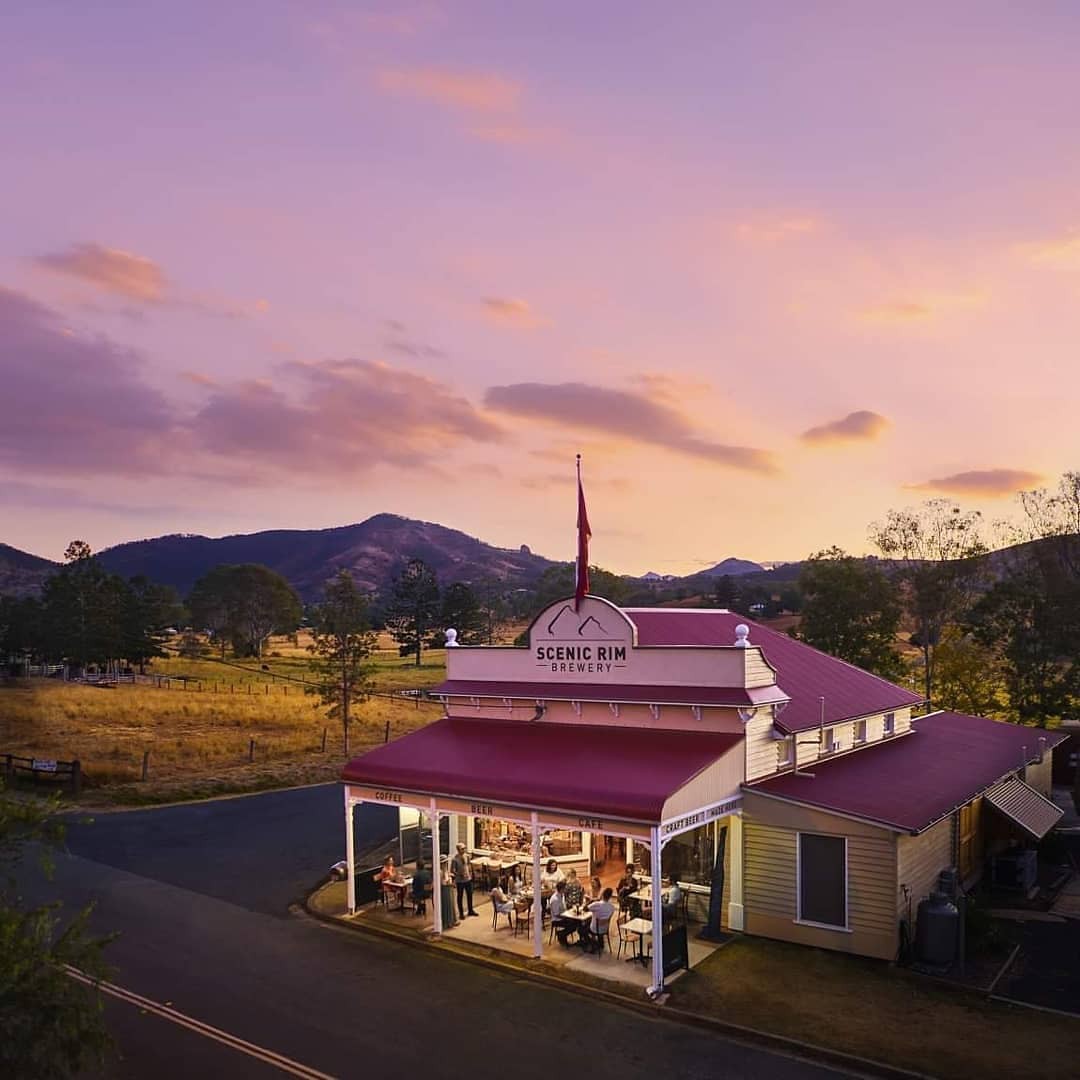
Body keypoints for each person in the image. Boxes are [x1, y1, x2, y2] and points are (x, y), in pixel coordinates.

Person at [580, 888, 616, 954]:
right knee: (590, 921)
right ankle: (599, 943)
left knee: (581, 928)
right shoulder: (612, 907)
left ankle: (591, 943)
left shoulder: (597, 904)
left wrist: (591, 900)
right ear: (610, 897)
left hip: (595, 928)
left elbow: (585, 909)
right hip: (605, 928)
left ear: (602, 895)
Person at [451, 843, 479, 918]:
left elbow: (469, 865)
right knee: (460, 896)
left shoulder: (467, 856)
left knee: (470, 894)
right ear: (458, 850)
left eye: (464, 848)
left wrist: (471, 873)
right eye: (462, 849)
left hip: (468, 879)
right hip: (460, 881)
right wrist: (459, 874)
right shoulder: (455, 859)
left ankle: (470, 910)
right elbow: (452, 870)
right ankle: (461, 913)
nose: (464, 850)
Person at [548, 880, 575, 946]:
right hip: (557, 920)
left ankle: (561, 935)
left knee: (576, 922)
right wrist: (567, 916)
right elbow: (556, 914)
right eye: (565, 888)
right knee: (573, 924)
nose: (566, 890)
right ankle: (561, 935)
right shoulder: (555, 899)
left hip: (563, 916)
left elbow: (563, 908)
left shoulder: (561, 896)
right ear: (561, 889)